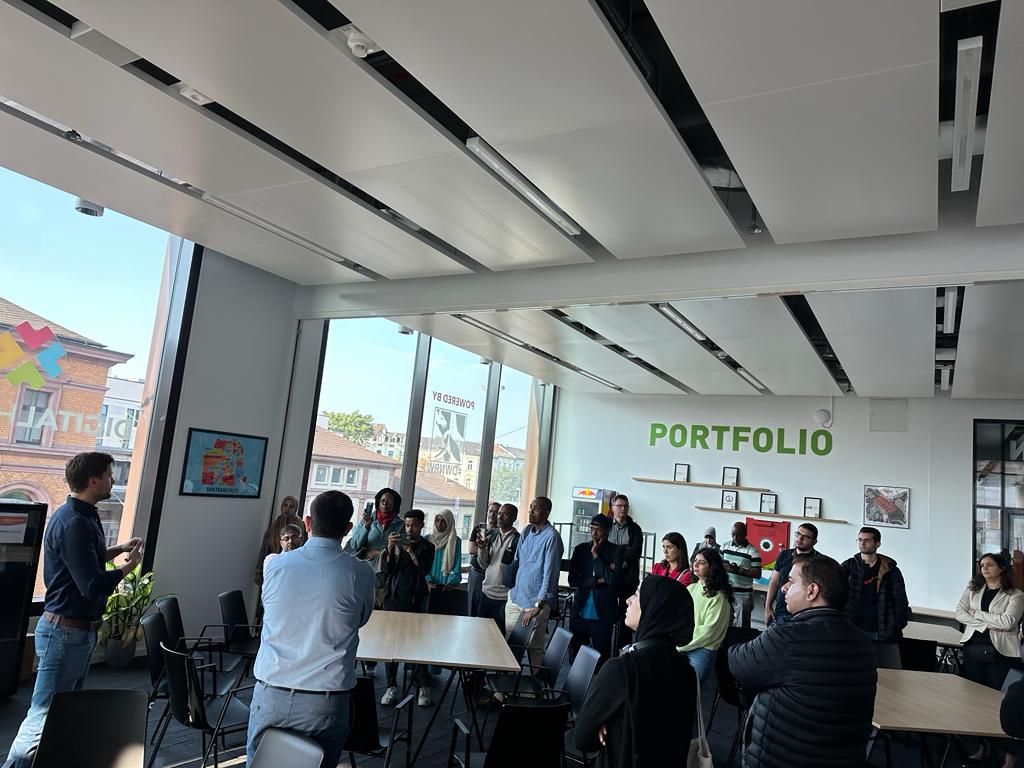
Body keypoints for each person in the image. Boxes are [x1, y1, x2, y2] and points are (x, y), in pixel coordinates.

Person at [7, 452, 143, 768]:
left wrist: (118, 550)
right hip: (65, 634)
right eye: (109, 475)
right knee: (44, 716)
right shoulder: (74, 523)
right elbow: (92, 585)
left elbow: (85, 561)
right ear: (93, 480)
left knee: (64, 713)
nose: (113, 481)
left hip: (75, 632)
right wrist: (129, 566)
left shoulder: (83, 516)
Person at [245, 490, 374, 767]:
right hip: (325, 702)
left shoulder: (275, 565)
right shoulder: (360, 572)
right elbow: (361, 618)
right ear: (348, 529)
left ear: (307, 523)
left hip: (270, 693)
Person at [728, 555, 877, 768]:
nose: (783, 588)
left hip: (783, 758)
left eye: (791, 581)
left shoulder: (787, 638)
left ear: (812, 591)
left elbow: (738, 663)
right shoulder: (864, 643)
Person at [574, 577, 697, 768]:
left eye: (638, 595)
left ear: (653, 609)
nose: (628, 600)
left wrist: (608, 725)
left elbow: (582, 740)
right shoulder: (687, 672)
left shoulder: (621, 669)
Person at [380, 509, 435, 707]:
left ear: (421, 526)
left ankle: (423, 686)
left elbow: (424, 571)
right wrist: (389, 549)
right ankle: (391, 686)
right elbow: (387, 571)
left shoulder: (428, 546)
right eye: (407, 525)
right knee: (390, 644)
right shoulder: (396, 543)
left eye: (414, 525)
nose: (410, 529)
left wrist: (411, 552)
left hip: (414, 600)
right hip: (393, 598)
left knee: (416, 644)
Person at [506, 496, 563, 669]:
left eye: (536, 508)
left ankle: (537, 683)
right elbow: (518, 561)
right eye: (530, 507)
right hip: (516, 598)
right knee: (510, 645)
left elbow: (550, 574)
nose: (531, 511)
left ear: (546, 513)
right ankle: (505, 685)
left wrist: (539, 605)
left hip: (535, 603)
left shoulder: (552, 537)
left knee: (534, 646)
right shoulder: (526, 531)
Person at [841, 526, 909, 668]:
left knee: (884, 671)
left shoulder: (890, 570)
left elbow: (900, 600)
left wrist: (896, 624)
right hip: (853, 627)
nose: (862, 543)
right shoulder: (848, 566)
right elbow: (837, 594)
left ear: (877, 543)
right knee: (853, 668)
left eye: (867, 540)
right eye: (860, 540)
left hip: (882, 628)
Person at [956, 552, 1024, 690]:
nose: (985, 568)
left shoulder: (1016, 594)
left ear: (1002, 568)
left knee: (996, 693)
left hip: (1002, 651)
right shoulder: (972, 590)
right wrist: (985, 625)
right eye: (982, 565)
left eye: (990, 565)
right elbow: (960, 614)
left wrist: (977, 614)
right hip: (973, 647)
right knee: (973, 691)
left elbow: (1008, 622)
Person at [568, 514, 624, 664]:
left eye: (598, 530)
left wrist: (595, 555)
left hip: (603, 614)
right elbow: (573, 580)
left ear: (607, 531)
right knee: (576, 657)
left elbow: (612, 579)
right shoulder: (580, 549)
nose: (594, 533)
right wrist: (596, 581)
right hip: (581, 611)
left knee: (600, 658)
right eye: (591, 529)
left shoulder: (616, 551)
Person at [678, 547, 733, 685]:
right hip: (683, 644)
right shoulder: (691, 588)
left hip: (702, 649)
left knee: (690, 689)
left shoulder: (719, 597)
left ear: (712, 567)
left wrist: (681, 645)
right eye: (695, 560)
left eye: (701, 562)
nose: (695, 564)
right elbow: (679, 618)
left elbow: (708, 632)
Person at [764, 523, 820, 626]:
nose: (799, 538)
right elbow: (774, 582)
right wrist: (768, 607)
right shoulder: (784, 555)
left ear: (814, 542)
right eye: (798, 534)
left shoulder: (818, 560)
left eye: (805, 537)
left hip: (803, 614)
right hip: (780, 611)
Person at [476, 503, 520, 631]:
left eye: (505, 514)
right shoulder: (491, 535)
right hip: (486, 592)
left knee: (498, 634)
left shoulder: (518, 540)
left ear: (514, 518)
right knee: (480, 631)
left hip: (504, 597)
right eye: (499, 513)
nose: (499, 517)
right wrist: (482, 548)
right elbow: (483, 564)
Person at [608, 494, 642, 644]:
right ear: (612, 507)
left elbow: (635, 552)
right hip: (608, 576)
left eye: (625, 506)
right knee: (607, 615)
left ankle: (624, 650)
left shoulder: (635, 529)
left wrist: (616, 552)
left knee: (626, 618)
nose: (623, 509)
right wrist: (622, 551)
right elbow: (602, 549)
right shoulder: (607, 526)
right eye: (620, 505)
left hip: (627, 578)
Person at [255, 495, 304, 587]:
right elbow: (265, 548)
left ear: (295, 509)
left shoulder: (300, 526)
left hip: (293, 568)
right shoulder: (275, 525)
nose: (287, 509)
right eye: (285, 505)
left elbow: (304, 548)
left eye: (291, 506)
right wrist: (258, 570)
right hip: (273, 566)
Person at [344, 487, 404, 561]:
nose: (385, 503)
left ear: (395, 504)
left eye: (389, 501)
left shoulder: (401, 525)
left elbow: (403, 551)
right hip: (366, 565)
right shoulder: (367, 519)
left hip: (389, 567)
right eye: (382, 500)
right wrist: (366, 526)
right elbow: (355, 545)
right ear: (378, 503)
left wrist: (381, 553)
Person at [722, 521, 762, 628]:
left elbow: (757, 573)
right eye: (733, 534)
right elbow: (717, 564)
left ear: (745, 534)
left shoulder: (752, 551)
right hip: (726, 591)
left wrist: (739, 570)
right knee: (724, 623)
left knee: (742, 625)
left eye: (738, 535)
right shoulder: (725, 546)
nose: (735, 538)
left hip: (743, 594)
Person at [467, 502, 500, 615]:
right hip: (477, 573)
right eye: (490, 511)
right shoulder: (479, 529)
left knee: (486, 608)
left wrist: (483, 550)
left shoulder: (501, 533)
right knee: (473, 605)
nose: (492, 514)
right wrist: (486, 551)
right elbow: (471, 549)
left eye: (496, 512)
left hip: (492, 575)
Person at [426, 508, 462, 589]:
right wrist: (428, 581)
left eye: (443, 521)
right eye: (437, 520)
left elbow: (457, 565)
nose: (439, 524)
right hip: (428, 585)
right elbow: (422, 564)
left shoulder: (455, 541)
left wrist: (450, 583)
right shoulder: (427, 539)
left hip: (446, 585)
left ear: (449, 523)